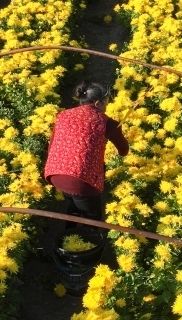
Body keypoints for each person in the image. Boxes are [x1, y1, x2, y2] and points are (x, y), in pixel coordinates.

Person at [44, 82, 129, 222]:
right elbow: (124, 150)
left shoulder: (63, 115)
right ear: (97, 103)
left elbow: (51, 146)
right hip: (79, 181)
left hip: (54, 173)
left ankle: (71, 221)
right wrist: (117, 148)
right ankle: (84, 235)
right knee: (92, 217)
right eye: (106, 103)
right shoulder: (107, 123)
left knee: (74, 199)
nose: (106, 107)